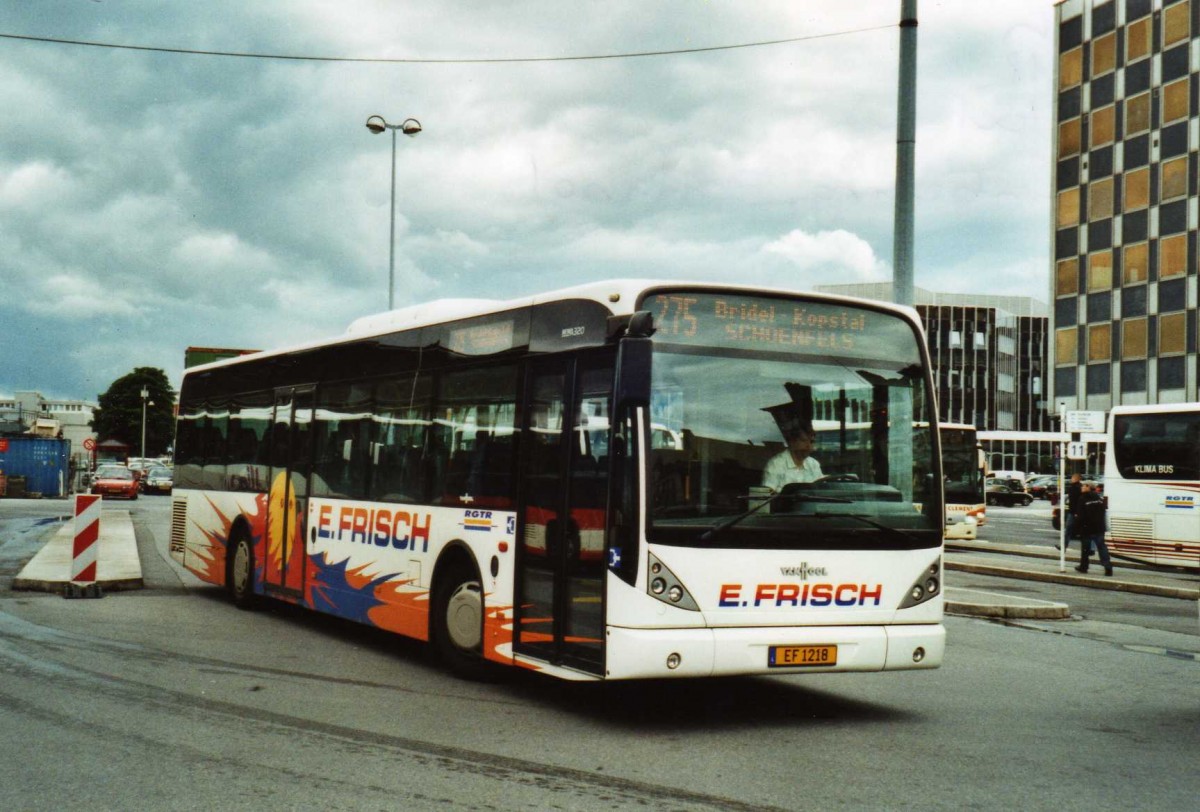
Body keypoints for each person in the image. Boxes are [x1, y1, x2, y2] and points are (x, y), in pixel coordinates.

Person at [763, 426, 823, 491]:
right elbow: (767, 494)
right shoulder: (776, 464)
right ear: (792, 442)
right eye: (804, 441)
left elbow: (820, 490)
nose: (808, 446)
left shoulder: (814, 464)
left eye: (811, 442)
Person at [1075, 482, 1113, 576]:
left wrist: (1077, 528)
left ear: (1088, 487)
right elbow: (1103, 511)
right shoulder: (1098, 498)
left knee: (1085, 549)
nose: (1082, 487)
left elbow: (1080, 515)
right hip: (1099, 527)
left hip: (1087, 527)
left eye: (1084, 485)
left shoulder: (1082, 498)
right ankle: (1108, 567)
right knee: (1102, 547)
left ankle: (1084, 567)